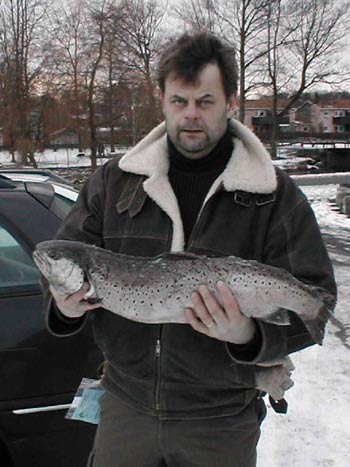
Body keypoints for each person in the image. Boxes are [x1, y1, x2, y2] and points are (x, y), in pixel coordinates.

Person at [44, 32, 336, 467]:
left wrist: (249, 337)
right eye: (179, 101)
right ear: (162, 100)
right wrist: (63, 308)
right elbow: (63, 265)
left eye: (205, 101)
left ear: (231, 103)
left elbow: (314, 298)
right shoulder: (113, 181)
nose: (191, 115)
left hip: (221, 421)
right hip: (126, 407)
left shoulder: (275, 195)